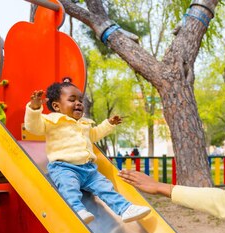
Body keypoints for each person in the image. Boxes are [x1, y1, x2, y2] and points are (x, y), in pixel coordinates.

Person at [25, 78, 150, 224]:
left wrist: (108, 124)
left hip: (89, 169)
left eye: (80, 100)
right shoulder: (52, 121)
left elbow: (94, 135)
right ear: (56, 106)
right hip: (64, 168)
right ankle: (77, 210)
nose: (78, 103)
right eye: (72, 100)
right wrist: (34, 109)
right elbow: (33, 127)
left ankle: (125, 209)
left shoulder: (84, 124)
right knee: (69, 188)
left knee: (105, 187)